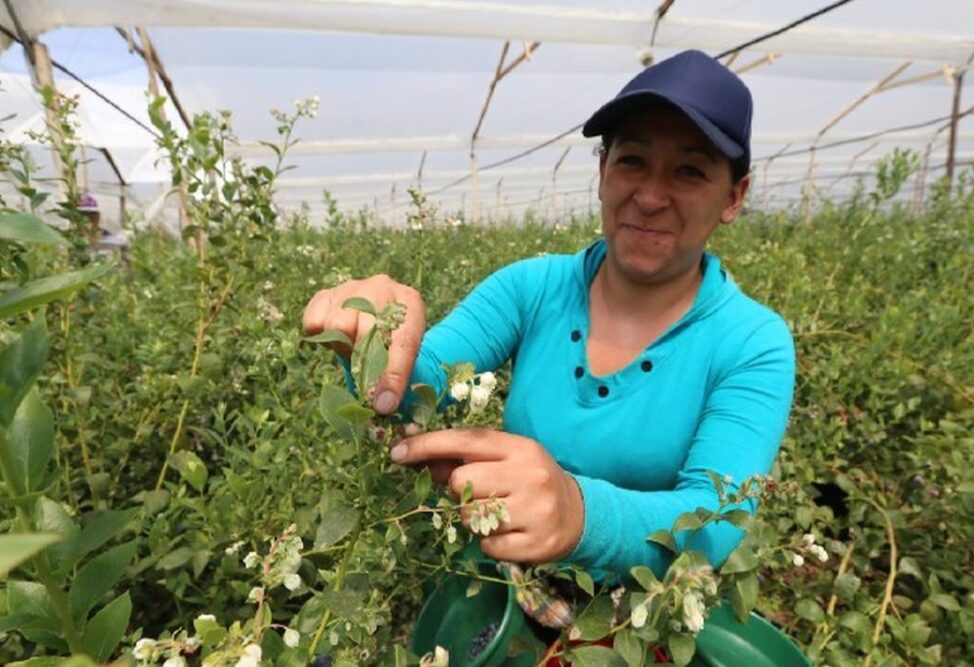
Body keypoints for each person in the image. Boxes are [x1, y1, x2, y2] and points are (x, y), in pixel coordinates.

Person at [302, 49, 795, 582]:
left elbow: (716, 521)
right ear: (603, 170)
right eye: (632, 160)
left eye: (690, 171)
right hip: (505, 584)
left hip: (639, 619)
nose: (651, 196)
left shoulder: (752, 342)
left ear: (734, 196)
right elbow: (421, 384)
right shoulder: (530, 288)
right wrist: (374, 341)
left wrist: (581, 513)